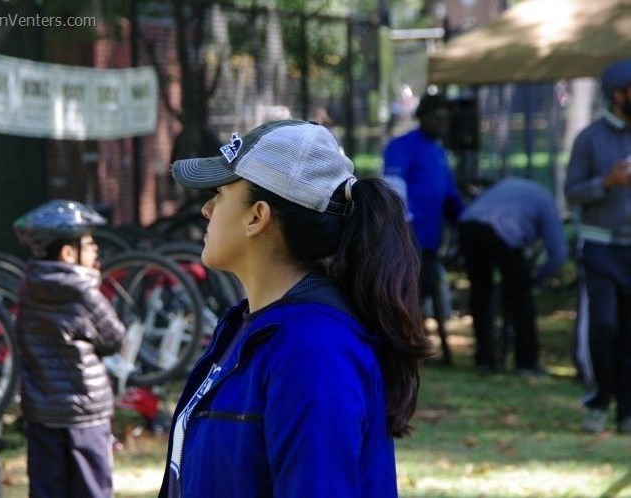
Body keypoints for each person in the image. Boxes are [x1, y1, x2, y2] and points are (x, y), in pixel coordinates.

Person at [159, 120, 432, 498]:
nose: (206, 209)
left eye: (220, 193)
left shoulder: (314, 351)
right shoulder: (248, 328)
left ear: (257, 216)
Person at [13, 200, 125, 497]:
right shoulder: (84, 291)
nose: (95, 250)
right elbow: (114, 337)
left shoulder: (28, 287)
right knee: (91, 489)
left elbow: (22, 337)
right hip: (86, 412)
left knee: (46, 490)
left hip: (42, 411)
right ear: (67, 253)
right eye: (89, 245)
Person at [565, 59, 631, 434]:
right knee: (604, 327)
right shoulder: (590, 138)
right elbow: (571, 192)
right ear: (619, 93)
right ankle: (600, 401)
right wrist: (607, 182)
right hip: (601, 249)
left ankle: (627, 410)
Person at [382, 93, 464, 365]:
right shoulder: (402, 145)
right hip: (408, 239)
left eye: (448, 119)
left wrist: (463, 221)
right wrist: (402, 223)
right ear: (423, 116)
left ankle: (421, 349)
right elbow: (393, 184)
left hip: (431, 240)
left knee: (425, 290)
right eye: (439, 117)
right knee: (408, 294)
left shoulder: (439, 151)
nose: (444, 124)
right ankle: (406, 350)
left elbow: (450, 195)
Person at [458, 178, 567, 375]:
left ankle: (484, 358)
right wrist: (536, 280)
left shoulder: (507, 185)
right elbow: (558, 253)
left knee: (480, 291)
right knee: (521, 296)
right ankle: (526, 362)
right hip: (502, 231)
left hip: (468, 225)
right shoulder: (545, 200)